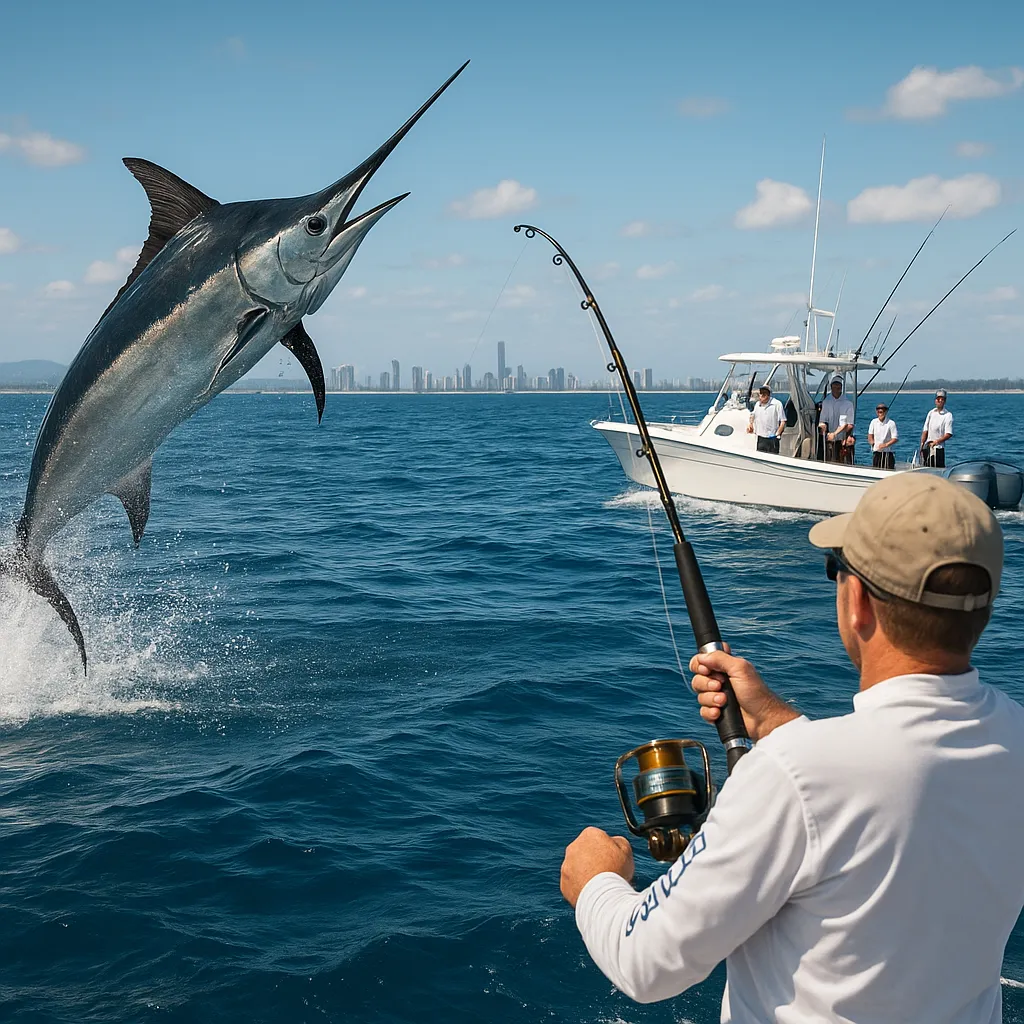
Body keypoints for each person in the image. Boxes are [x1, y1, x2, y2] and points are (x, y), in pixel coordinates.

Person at [559, 473, 1024, 1022]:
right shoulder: (1013, 735)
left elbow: (645, 962)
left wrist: (596, 881)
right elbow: (896, 796)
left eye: (838, 569)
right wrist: (779, 721)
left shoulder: (794, 776)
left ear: (858, 603)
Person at [818, 375, 855, 463]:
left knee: (843, 463)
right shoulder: (826, 402)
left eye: (838, 386)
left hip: (843, 440)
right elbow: (822, 420)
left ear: (841, 388)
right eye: (834, 386)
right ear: (831, 387)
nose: (836, 388)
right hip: (830, 439)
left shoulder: (848, 404)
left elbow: (849, 424)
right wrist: (824, 430)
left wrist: (843, 437)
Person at [746, 384, 786, 454]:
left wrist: (778, 434)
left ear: (768, 395)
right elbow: (753, 415)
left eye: (764, 394)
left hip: (772, 438)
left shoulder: (777, 404)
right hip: (761, 437)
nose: (761, 397)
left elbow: (783, 421)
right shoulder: (757, 404)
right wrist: (751, 425)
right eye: (761, 394)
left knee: (773, 457)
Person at [921, 388, 954, 468]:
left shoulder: (948, 415)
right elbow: (925, 430)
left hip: (938, 448)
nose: (939, 401)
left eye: (942, 399)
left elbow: (948, 434)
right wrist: (922, 444)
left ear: (944, 401)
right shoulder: (931, 413)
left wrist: (937, 441)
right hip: (927, 447)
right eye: (938, 399)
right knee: (925, 468)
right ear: (935, 400)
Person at [867, 402, 898, 470]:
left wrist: (885, 445)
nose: (880, 413)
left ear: (886, 412)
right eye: (879, 412)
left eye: (882, 411)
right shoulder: (873, 422)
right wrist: (872, 442)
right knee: (876, 470)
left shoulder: (891, 423)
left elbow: (895, 438)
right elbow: (870, 435)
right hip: (877, 452)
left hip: (887, 453)